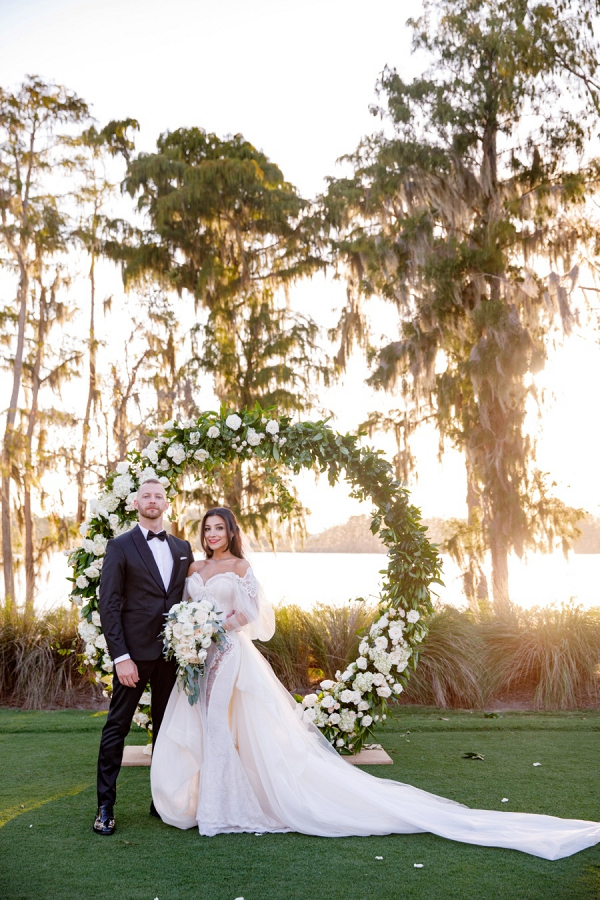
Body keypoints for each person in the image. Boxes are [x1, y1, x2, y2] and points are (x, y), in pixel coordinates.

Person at [150, 507, 600, 860]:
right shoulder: (191, 570)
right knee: (208, 726)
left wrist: (212, 625)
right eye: (207, 528)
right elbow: (181, 610)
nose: (212, 535)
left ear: (230, 532)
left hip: (228, 654)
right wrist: (189, 631)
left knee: (216, 726)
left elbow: (252, 617)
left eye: (219, 528)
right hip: (198, 660)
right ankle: (207, 802)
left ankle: (224, 811)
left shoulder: (242, 567)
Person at [93, 478, 194, 836]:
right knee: (117, 728)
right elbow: (110, 605)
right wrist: (121, 657)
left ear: (167, 504)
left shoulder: (183, 547)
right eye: (146, 496)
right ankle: (105, 806)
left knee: (167, 730)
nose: (153, 501)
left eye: (159, 496)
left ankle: (162, 802)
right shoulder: (120, 546)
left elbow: (189, 601)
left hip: (173, 657)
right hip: (133, 657)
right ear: (136, 504)